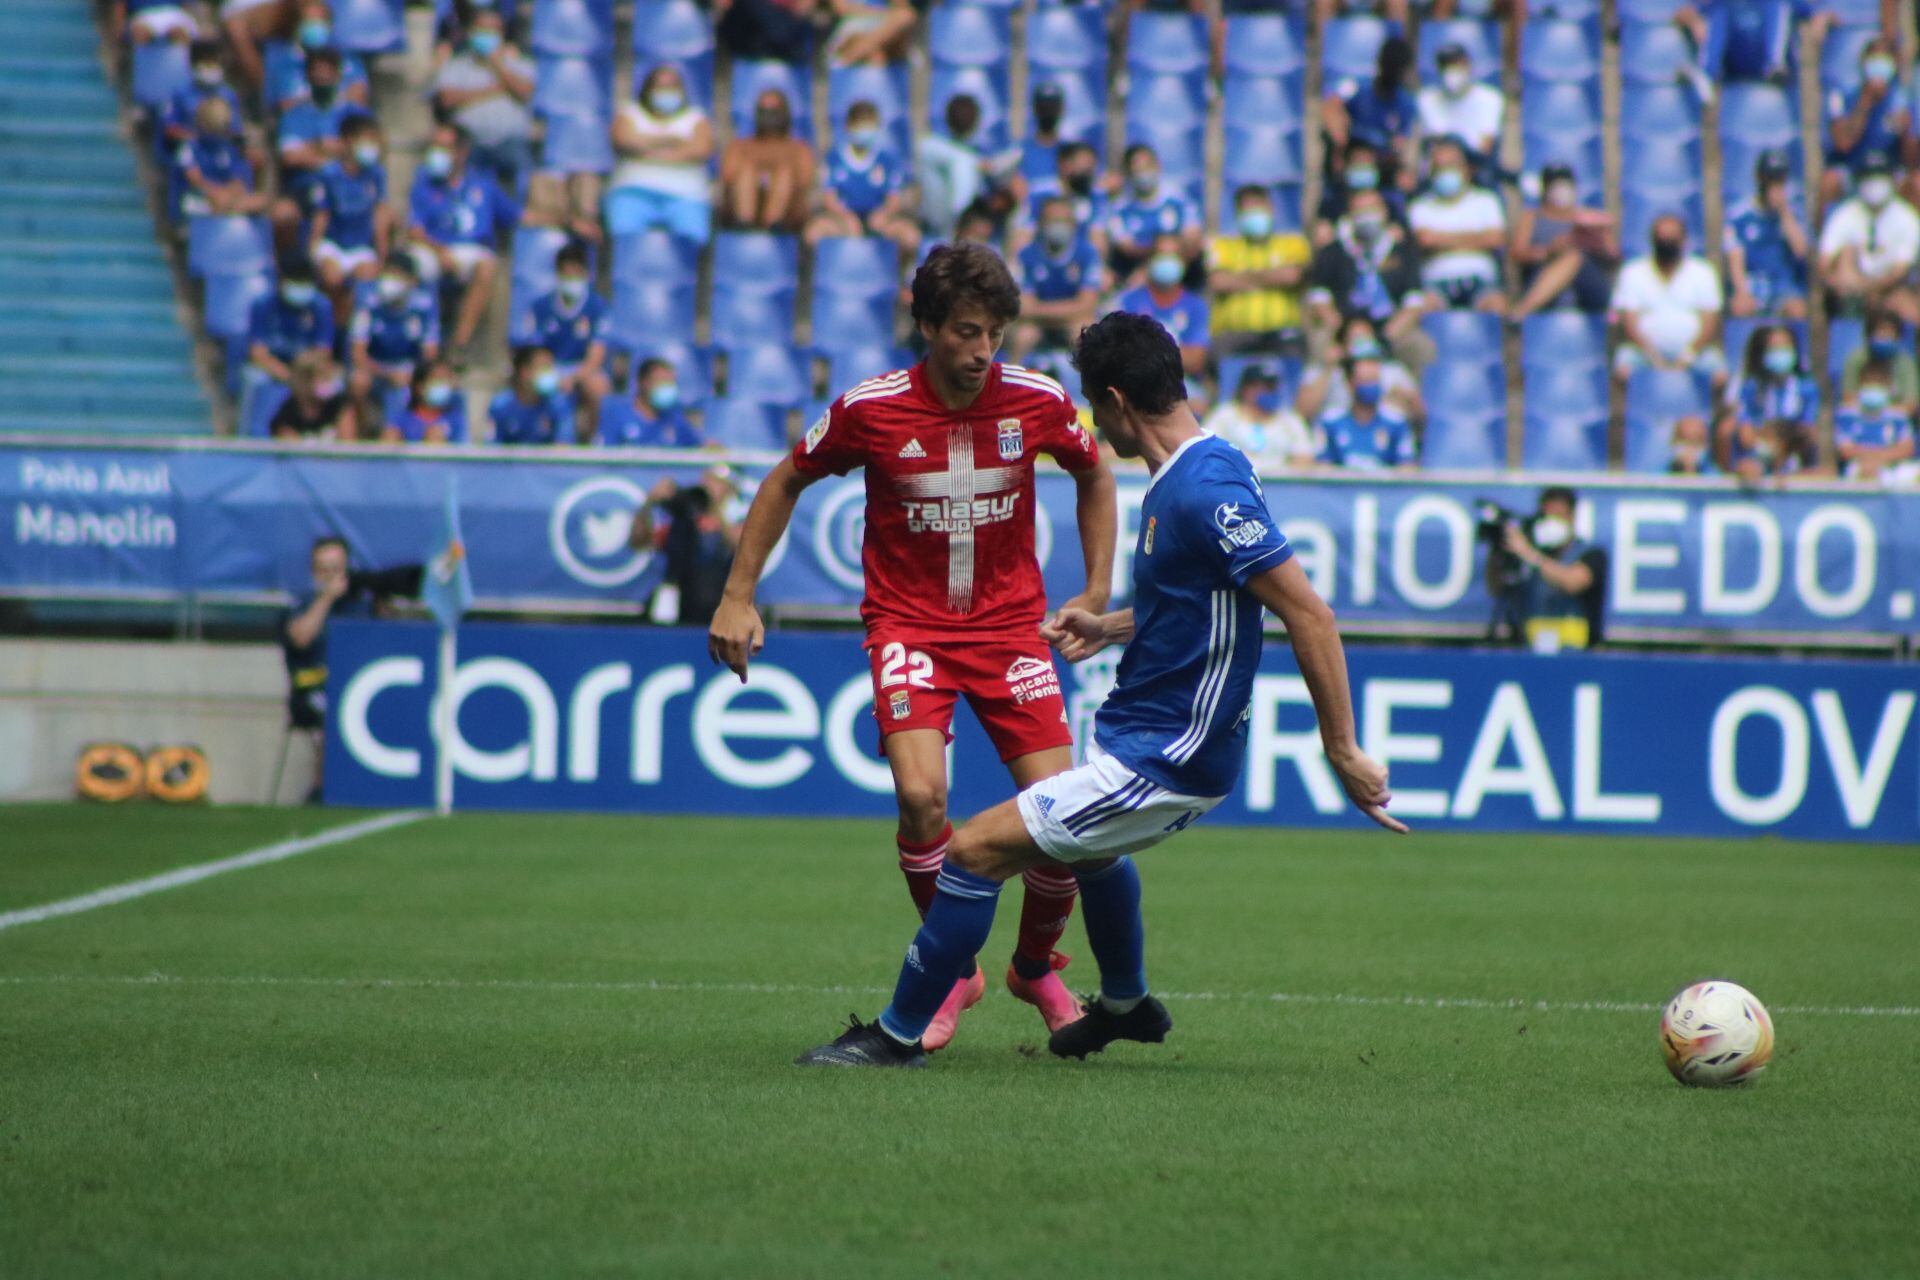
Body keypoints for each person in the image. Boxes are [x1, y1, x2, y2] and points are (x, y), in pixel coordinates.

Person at [791, 309, 1402, 1069]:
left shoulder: (1202, 493)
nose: (1090, 421)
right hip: (1145, 741)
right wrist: (1108, 626)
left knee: (972, 851)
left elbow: (1308, 611)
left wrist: (1341, 749)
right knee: (1094, 855)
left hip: (1166, 762)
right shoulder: (1203, 467)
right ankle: (1125, 1004)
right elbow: (1197, 599)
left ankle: (895, 1036)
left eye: (1091, 404)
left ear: (1115, 401)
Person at [707, 243, 1121, 1051]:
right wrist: (736, 593)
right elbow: (785, 478)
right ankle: (951, 967)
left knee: (1061, 812)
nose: (981, 352)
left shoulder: (1036, 400)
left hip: (1010, 629)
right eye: (966, 332)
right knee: (923, 798)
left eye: (996, 334)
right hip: (910, 627)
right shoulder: (871, 408)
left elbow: (1095, 472)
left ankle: (1034, 965)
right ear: (926, 324)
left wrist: (1097, 591)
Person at [281, 534, 422, 800]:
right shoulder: (303, 604)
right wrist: (326, 599)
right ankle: (322, 790)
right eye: (324, 570)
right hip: (314, 690)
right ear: (314, 571)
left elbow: (390, 645)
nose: (331, 576)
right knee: (331, 713)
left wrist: (384, 607)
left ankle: (388, 788)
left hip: (360, 686)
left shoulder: (360, 606)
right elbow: (300, 637)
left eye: (337, 569)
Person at [408, 123, 521, 353]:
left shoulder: (483, 184)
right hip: (432, 247)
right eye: (435, 147)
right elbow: (414, 230)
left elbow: (518, 215)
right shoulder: (423, 183)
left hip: (469, 250)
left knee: (487, 266)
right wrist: (440, 252)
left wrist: (565, 219)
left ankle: (458, 344)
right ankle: (422, 341)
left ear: (461, 152)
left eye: (445, 147)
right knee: (417, 266)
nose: (437, 154)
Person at [1305, 187, 1430, 367]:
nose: (1366, 217)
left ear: (1384, 213)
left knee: (1420, 346)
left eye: (1371, 210)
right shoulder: (1332, 253)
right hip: (1343, 327)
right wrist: (1346, 333)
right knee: (1319, 343)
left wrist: (1385, 336)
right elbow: (1319, 300)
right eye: (1360, 211)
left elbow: (1413, 304)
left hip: (1391, 327)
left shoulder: (1403, 253)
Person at [1610, 214, 1725, 392]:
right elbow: (1629, 322)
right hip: (1644, 352)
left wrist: (1688, 356)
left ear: (1683, 240)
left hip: (1693, 352)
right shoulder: (1632, 271)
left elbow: (1709, 321)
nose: (1666, 243)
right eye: (1661, 238)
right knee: (1623, 368)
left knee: (1719, 373)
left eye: (1672, 238)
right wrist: (1652, 356)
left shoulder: (1703, 272)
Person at [271, 47, 368, 255]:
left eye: (328, 73)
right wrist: (328, 149)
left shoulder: (354, 114)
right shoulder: (295, 115)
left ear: (338, 75)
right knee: (282, 214)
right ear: (307, 76)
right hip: (305, 189)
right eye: (317, 73)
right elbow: (290, 156)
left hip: (347, 188)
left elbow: (365, 152)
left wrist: (311, 148)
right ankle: (291, 272)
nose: (322, 79)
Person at [1485, 486, 1606, 652]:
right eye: (1547, 516)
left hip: (1578, 656)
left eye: (1559, 516)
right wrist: (1498, 553)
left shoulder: (1592, 554)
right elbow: (1496, 589)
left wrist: (1528, 553)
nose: (1552, 522)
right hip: (1530, 652)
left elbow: (1574, 582)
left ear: (1572, 517)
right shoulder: (1527, 556)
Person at [431, 7, 536, 194]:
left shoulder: (520, 64)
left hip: (510, 143)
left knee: (523, 177)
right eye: (482, 30)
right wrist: (495, 89)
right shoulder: (456, 65)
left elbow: (525, 91)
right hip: (471, 144)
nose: (487, 36)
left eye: (493, 31)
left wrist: (497, 65)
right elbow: (446, 98)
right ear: (470, 33)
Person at [608, 64, 716, 245]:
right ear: (648, 89)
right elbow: (624, 140)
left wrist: (646, 149)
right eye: (660, 87)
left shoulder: (696, 117)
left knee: (694, 237)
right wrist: (674, 141)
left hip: (686, 195)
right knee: (622, 235)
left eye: (672, 87)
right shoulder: (630, 113)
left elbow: (700, 149)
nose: (666, 92)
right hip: (634, 192)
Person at [631, 466, 746, 625]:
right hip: (679, 594)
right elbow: (638, 542)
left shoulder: (737, 515)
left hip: (720, 598)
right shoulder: (684, 516)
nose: (709, 486)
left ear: (730, 490)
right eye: (707, 480)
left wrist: (714, 508)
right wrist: (649, 503)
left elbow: (740, 545)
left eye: (717, 483)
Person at [1207, 186, 1311, 356]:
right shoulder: (1223, 245)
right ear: (1238, 215)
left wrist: (1241, 278)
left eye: (1258, 207)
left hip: (1282, 332)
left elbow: (1291, 277)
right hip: (1234, 333)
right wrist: (1271, 276)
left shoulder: (1293, 242)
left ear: (1271, 209)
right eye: (1247, 210)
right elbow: (1219, 281)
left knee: (1293, 349)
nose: (1254, 214)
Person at [1817, 151, 1920, 323]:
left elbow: (1900, 270)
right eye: (1869, 177)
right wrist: (1844, 284)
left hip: (1891, 291)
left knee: (1907, 306)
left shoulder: (1907, 218)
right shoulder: (1845, 213)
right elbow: (1825, 262)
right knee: (1845, 255)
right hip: (1850, 293)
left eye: (1880, 177)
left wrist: (1870, 289)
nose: (1874, 184)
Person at [1407, 137, 1506, 314]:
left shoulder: (1486, 201)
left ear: (1466, 168)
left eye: (1451, 165)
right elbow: (1425, 241)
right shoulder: (1420, 206)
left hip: (1480, 281)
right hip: (1436, 284)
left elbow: (1495, 240)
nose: (1446, 172)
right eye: (1440, 167)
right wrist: (1476, 239)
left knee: (1498, 306)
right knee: (1419, 307)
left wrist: (1441, 239)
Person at [807, 100, 919, 255]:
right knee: (813, 232)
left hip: (878, 219)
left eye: (870, 126)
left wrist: (883, 214)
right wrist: (846, 217)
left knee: (910, 236)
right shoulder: (834, 158)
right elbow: (829, 198)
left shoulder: (887, 159)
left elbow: (894, 199)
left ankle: (905, 274)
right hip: (845, 219)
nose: (865, 132)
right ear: (848, 127)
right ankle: (813, 276)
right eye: (860, 126)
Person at [308, 114, 391, 324]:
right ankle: (330, 330)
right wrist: (313, 246)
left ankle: (348, 337)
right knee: (332, 277)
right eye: (367, 139)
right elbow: (322, 213)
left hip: (361, 247)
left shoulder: (376, 175)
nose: (372, 145)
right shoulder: (329, 174)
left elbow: (379, 214)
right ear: (348, 141)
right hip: (333, 244)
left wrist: (382, 254)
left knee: (366, 278)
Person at [1509, 163, 1619, 321]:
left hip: (1587, 283)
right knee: (1570, 259)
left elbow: (1613, 256)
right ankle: (1526, 310)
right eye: (1556, 186)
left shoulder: (1589, 218)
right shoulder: (1531, 217)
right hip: (1542, 280)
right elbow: (1517, 253)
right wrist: (1549, 251)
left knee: (1574, 257)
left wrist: (1598, 241)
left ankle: (1522, 311)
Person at [527, 242, 611, 437]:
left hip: (581, 369)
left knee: (598, 386)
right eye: (566, 273)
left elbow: (596, 355)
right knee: (533, 381)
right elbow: (536, 352)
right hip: (550, 368)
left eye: (576, 273)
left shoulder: (596, 307)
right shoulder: (541, 307)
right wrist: (551, 375)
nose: (571, 279)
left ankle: (595, 440)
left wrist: (573, 378)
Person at [349, 254, 440, 433]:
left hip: (407, 370)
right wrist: (385, 373)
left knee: (415, 387)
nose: (391, 281)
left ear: (412, 281)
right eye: (388, 274)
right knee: (358, 381)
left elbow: (430, 354)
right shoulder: (368, 303)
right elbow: (357, 354)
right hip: (375, 368)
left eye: (398, 276)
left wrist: (412, 375)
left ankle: (396, 433)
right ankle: (363, 431)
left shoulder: (423, 306)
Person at [1717, 324, 1820, 480]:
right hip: (1759, 451)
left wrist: (1781, 445)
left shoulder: (1806, 389)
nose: (1780, 354)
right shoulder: (1751, 387)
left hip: (1791, 450)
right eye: (1774, 349)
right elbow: (1746, 434)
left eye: (1785, 348)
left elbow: (1807, 430)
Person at [1320, 35, 1419, 195]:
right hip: (1348, 155)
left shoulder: (1406, 104)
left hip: (1380, 160)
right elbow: (1330, 103)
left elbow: (1399, 144)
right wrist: (1340, 139)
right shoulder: (1357, 87)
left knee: (1406, 181)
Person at [1010, 195, 1104, 360]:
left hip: (1070, 322)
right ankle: (1011, 382)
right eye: (1052, 220)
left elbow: (1087, 305)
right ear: (1040, 223)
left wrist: (1040, 310)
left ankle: (1091, 383)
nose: (1058, 226)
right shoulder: (1027, 255)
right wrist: (1069, 309)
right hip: (1037, 324)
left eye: (1063, 220)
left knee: (1084, 334)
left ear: (1073, 225)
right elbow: (1024, 307)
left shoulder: (1087, 254)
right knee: (1023, 336)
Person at [246, 259, 335, 429]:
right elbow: (257, 353)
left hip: (307, 367)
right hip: (273, 368)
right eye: (296, 282)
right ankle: (257, 434)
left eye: (305, 282)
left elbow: (322, 352)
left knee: (330, 385)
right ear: (282, 282)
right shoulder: (263, 305)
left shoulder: (321, 306)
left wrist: (302, 372)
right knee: (255, 378)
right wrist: (287, 375)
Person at [1821, 33, 1908, 207]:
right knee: (1829, 181)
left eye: (1884, 61)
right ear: (1864, 64)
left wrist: (1905, 129)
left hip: (1888, 171)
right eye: (1874, 61)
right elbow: (1843, 143)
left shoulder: (1901, 100)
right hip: (1853, 169)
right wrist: (1865, 102)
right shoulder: (1842, 97)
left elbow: (1909, 157)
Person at [1723, 151, 1809, 320]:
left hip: (1782, 286)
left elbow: (1801, 252)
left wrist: (1784, 212)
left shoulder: (1794, 214)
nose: (1773, 187)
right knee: (1740, 307)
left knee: (1797, 309)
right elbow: (1735, 257)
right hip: (1753, 284)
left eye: (1779, 181)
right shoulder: (1738, 216)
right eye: (1770, 181)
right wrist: (1742, 291)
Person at [1295, 313, 1423, 424]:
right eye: (1355, 339)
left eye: (1366, 338)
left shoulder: (1392, 371)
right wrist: (1328, 370)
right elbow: (1302, 413)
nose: (1362, 344)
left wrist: (1405, 397)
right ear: (1343, 344)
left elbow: (1420, 415)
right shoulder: (1324, 370)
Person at [1104, 143, 1204, 285]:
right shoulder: (1119, 209)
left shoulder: (1179, 201)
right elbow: (1128, 248)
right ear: (1128, 173)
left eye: (1147, 167)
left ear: (1157, 166)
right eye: (1137, 169)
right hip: (1137, 272)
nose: (1143, 173)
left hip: (1181, 271)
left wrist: (1165, 252)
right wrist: (1160, 250)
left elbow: (1193, 240)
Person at [1115, 233, 1211, 375]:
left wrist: (1145, 350)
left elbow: (1195, 360)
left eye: (1172, 257)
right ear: (1150, 261)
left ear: (1183, 262)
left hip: (1182, 383)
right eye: (1161, 256)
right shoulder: (1127, 302)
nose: (1167, 262)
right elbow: (1119, 353)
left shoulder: (1196, 306)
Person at [720, 90, 816, 232]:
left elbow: (804, 181)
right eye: (765, 110)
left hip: (788, 215)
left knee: (784, 173)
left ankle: (773, 223)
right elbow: (728, 176)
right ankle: (745, 224)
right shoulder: (741, 146)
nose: (769, 115)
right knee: (747, 170)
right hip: (740, 210)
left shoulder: (798, 148)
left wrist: (771, 173)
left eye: (774, 110)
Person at [1201, 363, 1318, 470]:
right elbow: (1205, 451)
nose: (1269, 392)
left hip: (1280, 485)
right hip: (1235, 481)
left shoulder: (1290, 420)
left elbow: (1304, 458)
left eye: (1272, 387)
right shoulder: (1225, 415)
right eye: (1264, 387)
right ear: (1246, 389)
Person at [1415, 43, 1502, 179]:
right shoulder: (1427, 99)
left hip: (1475, 169)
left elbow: (1485, 146)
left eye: (1457, 65)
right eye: (1446, 66)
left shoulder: (1491, 99)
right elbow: (1434, 144)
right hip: (1439, 169)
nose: (1451, 71)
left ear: (1468, 65)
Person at [173, 95, 266, 221]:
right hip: (197, 200)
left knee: (260, 201)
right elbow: (195, 180)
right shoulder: (189, 148)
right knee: (222, 202)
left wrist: (231, 191)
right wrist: (218, 193)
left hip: (226, 199)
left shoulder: (227, 148)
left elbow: (237, 179)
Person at [1316, 356, 1416, 470]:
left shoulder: (1396, 422)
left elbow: (1407, 468)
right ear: (1350, 383)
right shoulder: (1330, 422)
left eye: (1374, 380)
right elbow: (1323, 469)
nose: (1371, 386)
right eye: (1366, 381)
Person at [1834, 358, 1916, 480]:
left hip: (1890, 465)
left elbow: (1907, 449)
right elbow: (1846, 450)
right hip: (1858, 465)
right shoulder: (1847, 415)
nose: (1874, 387)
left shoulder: (1898, 416)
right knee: (1859, 471)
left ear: (1888, 387)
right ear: (1860, 385)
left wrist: (1878, 460)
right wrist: (1869, 461)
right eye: (1869, 383)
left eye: (1879, 384)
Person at [599, 358, 705, 446]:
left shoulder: (674, 416)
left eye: (671, 384)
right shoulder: (616, 414)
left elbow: (697, 447)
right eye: (662, 382)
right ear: (643, 383)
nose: (667, 388)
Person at [1838, 307, 1920, 416]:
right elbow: (1847, 397)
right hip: (1861, 417)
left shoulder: (1905, 362)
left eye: (1890, 331)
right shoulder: (1857, 359)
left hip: (1895, 420)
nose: (1885, 335)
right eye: (1881, 330)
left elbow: (1911, 403)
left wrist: (1888, 412)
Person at [489, 346, 575, 444]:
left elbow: (564, 447)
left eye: (551, 368)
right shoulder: (500, 406)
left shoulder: (559, 404)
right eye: (544, 368)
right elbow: (492, 449)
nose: (550, 374)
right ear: (525, 372)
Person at [270, 349, 357, 440]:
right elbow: (292, 449)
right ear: (305, 381)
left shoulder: (341, 406)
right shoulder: (286, 415)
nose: (329, 382)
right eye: (323, 377)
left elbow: (348, 445)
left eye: (328, 376)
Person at [384, 360, 469, 444]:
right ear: (419, 387)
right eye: (437, 380)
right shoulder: (401, 419)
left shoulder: (456, 420)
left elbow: (463, 450)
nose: (442, 386)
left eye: (445, 380)